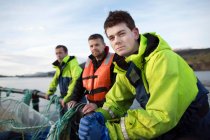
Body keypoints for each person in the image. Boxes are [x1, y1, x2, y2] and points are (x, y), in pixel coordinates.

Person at [78, 10, 210, 140]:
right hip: (164, 130)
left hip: (192, 129)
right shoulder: (126, 67)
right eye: (111, 38)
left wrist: (109, 132)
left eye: (121, 34)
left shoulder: (162, 59)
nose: (116, 41)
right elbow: (116, 101)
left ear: (135, 33)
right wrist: (99, 115)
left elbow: (162, 116)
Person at [68, 33, 118, 114]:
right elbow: (79, 84)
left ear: (104, 45)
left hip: (110, 108)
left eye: (97, 45)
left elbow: (117, 89)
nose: (94, 48)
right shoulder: (88, 64)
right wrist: (74, 99)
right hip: (91, 106)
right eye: (91, 46)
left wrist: (98, 104)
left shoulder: (115, 61)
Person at [45, 45, 82, 116]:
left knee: (75, 122)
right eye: (56, 53)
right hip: (64, 98)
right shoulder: (59, 67)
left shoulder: (73, 64)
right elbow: (54, 81)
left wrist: (67, 98)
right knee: (63, 121)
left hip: (75, 99)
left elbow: (76, 81)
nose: (58, 55)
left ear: (66, 53)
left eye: (60, 53)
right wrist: (49, 92)